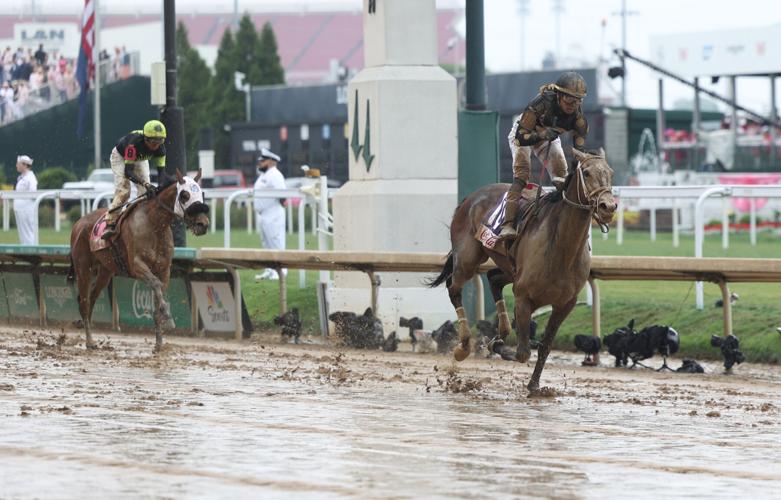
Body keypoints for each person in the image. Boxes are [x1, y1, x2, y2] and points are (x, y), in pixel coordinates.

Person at [497, 71, 590, 240]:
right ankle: (508, 224)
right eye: (569, 99)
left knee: (561, 177)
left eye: (577, 100)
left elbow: (579, 153)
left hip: (549, 137)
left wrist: (575, 172)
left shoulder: (579, 119)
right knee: (522, 175)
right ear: (559, 95)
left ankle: (562, 221)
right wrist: (541, 135)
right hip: (524, 134)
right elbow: (520, 137)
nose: (572, 105)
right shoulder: (540, 103)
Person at [102, 120, 167, 240]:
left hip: (140, 159)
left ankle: (140, 219)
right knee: (124, 191)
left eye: (160, 141)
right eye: (153, 142)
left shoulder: (161, 150)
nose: (156, 146)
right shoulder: (133, 144)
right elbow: (128, 172)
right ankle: (110, 222)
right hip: (121, 157)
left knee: (145, 193)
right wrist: (145, 183)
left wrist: (160, 187)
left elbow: (161, 173)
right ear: (145, 139)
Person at [253, 148, 287, 280]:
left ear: (272, 161)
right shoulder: (264, 175)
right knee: (266, 244)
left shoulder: (275, 174)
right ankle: (270, 270)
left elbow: (282, 194)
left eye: (263, 161)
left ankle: (281, 271)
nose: (260, 163)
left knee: (276, 243)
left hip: (273, 212)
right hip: (263, 214)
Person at [13, 155, 37, 245]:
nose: (16, 166)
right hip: (20, 210)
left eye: (18, 164)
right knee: (22, 233)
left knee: (28, 232)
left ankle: (31, 251)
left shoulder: (30, 178)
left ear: (24, 165)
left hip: (27, 210)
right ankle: (25, 251)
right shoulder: (21, 177)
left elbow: (33, 193)